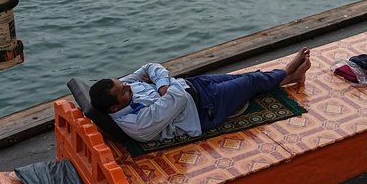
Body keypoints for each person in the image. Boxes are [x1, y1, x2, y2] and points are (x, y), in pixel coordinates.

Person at [89, 47, 310, 143]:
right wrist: (163, 86)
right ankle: (288, 70)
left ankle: (291, 78)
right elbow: (179, 98)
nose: (128, 86)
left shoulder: (123, 89)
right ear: (114, 108)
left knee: (246, 78)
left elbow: (150, 67)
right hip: (204, 109)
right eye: (123, 91)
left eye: (124, 84)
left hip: (191, 85)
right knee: (252, 81)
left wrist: (162, 86)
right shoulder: (138, 124)